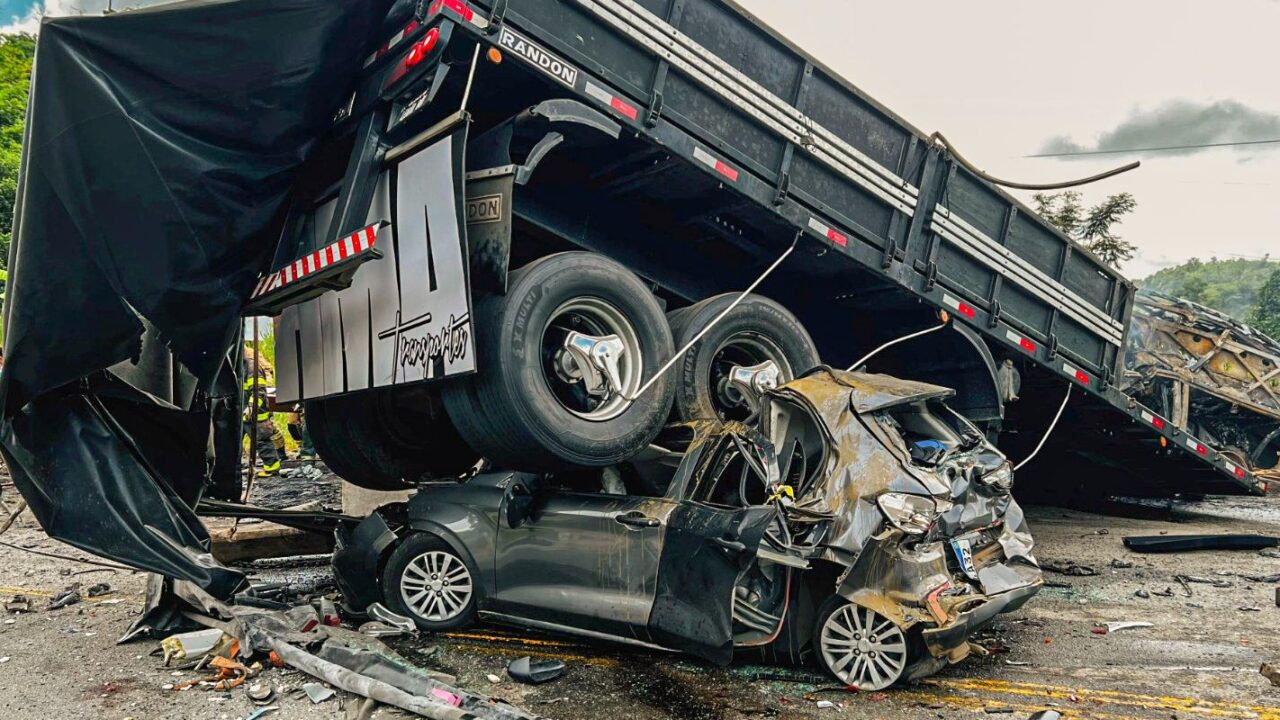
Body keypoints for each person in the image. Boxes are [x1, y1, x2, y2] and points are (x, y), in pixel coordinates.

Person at [243, 345, 286, 477]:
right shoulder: (242, 366)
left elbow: (258, 393)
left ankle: (272, 467)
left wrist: (250, 411)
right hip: (245, 413)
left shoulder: (251, 368)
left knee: (262, 441)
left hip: (256, 414)